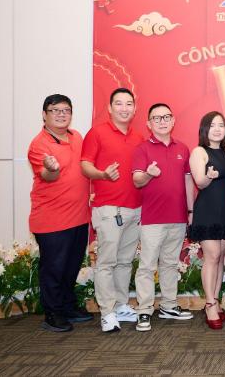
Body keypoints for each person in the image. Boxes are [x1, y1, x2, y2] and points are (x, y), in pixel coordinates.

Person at [81, 88, 143, 332]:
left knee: (125, 261)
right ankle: (107, 312)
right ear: (109, 107)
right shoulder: (97, 133)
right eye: (119, 103)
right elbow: (85, 165)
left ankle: (120, 305)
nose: (124, 108)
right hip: (108, 208)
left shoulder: (138, 137)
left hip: (135, 209)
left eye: (129, 104)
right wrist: (102, 174)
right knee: (106, 262)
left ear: (135, 108)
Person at [28, 94, 92, 332]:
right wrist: (50, 168)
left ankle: (67, 306)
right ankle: (52, 313)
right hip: (52, 220)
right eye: (55, 110)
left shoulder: (77, 137)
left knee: (71, 266)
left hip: (79, 216)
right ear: (44, 115)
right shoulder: (39, 144)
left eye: (66, 110)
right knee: (54, 269)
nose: (61, 114)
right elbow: (48, 175)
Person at [131, 103, 195, 332]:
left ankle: (169, 305)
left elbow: (188, 180)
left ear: (173, 120)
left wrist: (190, 211)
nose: (162, 121)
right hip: (152, 218)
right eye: (156, 118)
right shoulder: (142, 149)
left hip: (177, 217)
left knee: (169, 264)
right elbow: (137, 180)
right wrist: (149, 174)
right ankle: (144, 310)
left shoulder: (183, 148)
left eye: (166, 117)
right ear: (148, 124)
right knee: (147, 266)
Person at [188, 112, 225, 329]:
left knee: (220, 257)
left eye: (221, 125)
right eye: (213, 125)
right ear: (204, 129)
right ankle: (209, 305)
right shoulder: (199, 152)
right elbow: (200, 181)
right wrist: (209, 176)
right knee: (212, 256)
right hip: (207, 210)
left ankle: (216, 301)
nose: (217, 129)